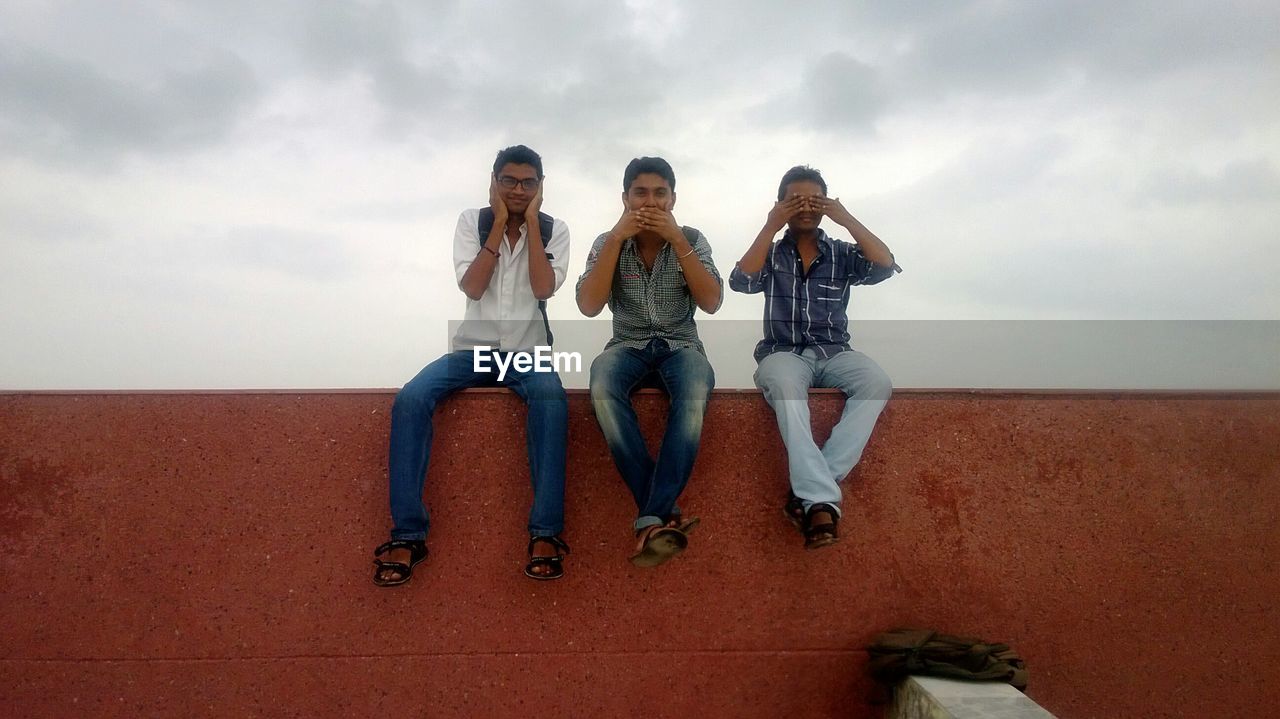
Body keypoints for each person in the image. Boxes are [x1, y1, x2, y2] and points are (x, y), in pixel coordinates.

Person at [373, 145, 572, 585]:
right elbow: (474, 287)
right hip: (472, 351)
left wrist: (532, 227)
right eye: (509, 181)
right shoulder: (472, 221)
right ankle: (408, 534)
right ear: (494, 182)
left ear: (541, 187)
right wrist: (499, 224)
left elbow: (544, 288)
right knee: (412, 398)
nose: (518, 190)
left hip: (528, 353)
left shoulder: (556, 229)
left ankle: (545, 533)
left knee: (551, 401)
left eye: (529, 183)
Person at [729, 165, 900, 550]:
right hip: (783, 352)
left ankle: (812, 493)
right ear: (781, 205)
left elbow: (884, 265)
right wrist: (770, 225)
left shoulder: (840, 253)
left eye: (813, 200)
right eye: (795, 200)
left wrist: (846, 217)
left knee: (876, 383)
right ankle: (820, 501)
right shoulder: (772, 254)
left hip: (835, 350)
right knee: (787, 391)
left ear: (825, 204)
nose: (805, 207)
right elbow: (741, 281)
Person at [576, 156, 722, 568]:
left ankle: (651, 518)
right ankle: (659, 513)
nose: (651, 201)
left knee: (694, 389)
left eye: (660, 193)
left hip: (682, 346)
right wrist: (616, 240)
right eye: (641, 192)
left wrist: (678, 241)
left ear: (673, 199)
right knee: (603, 384)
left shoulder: (691, 237)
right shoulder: (607, 240)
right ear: (625, 198)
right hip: (627, 344)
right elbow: (589, 305)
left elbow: (711, 301)